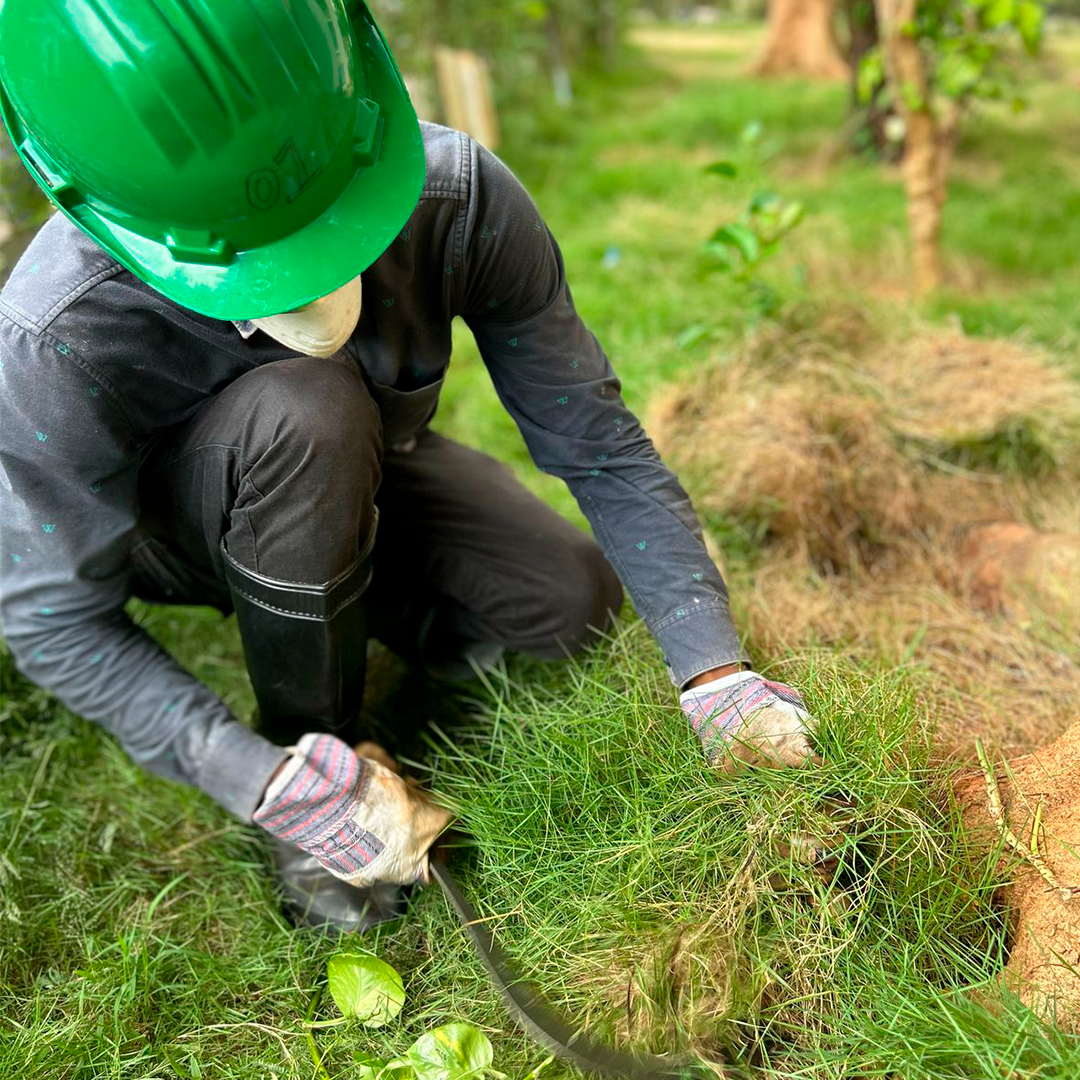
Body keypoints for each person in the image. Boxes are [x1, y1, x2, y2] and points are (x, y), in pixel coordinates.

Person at [0, 0, 816, 933]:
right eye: (260, 263)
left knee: (567, 601)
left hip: (360, 474)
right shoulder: (56, 336)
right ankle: (318, 754)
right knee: (309, 409)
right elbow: (52, 617)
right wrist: (254, 775)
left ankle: (341, 610)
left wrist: (713, 670)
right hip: (187, 527)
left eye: (329, 232)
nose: (311, 282)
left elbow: (597, 441)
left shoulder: (456, 201)